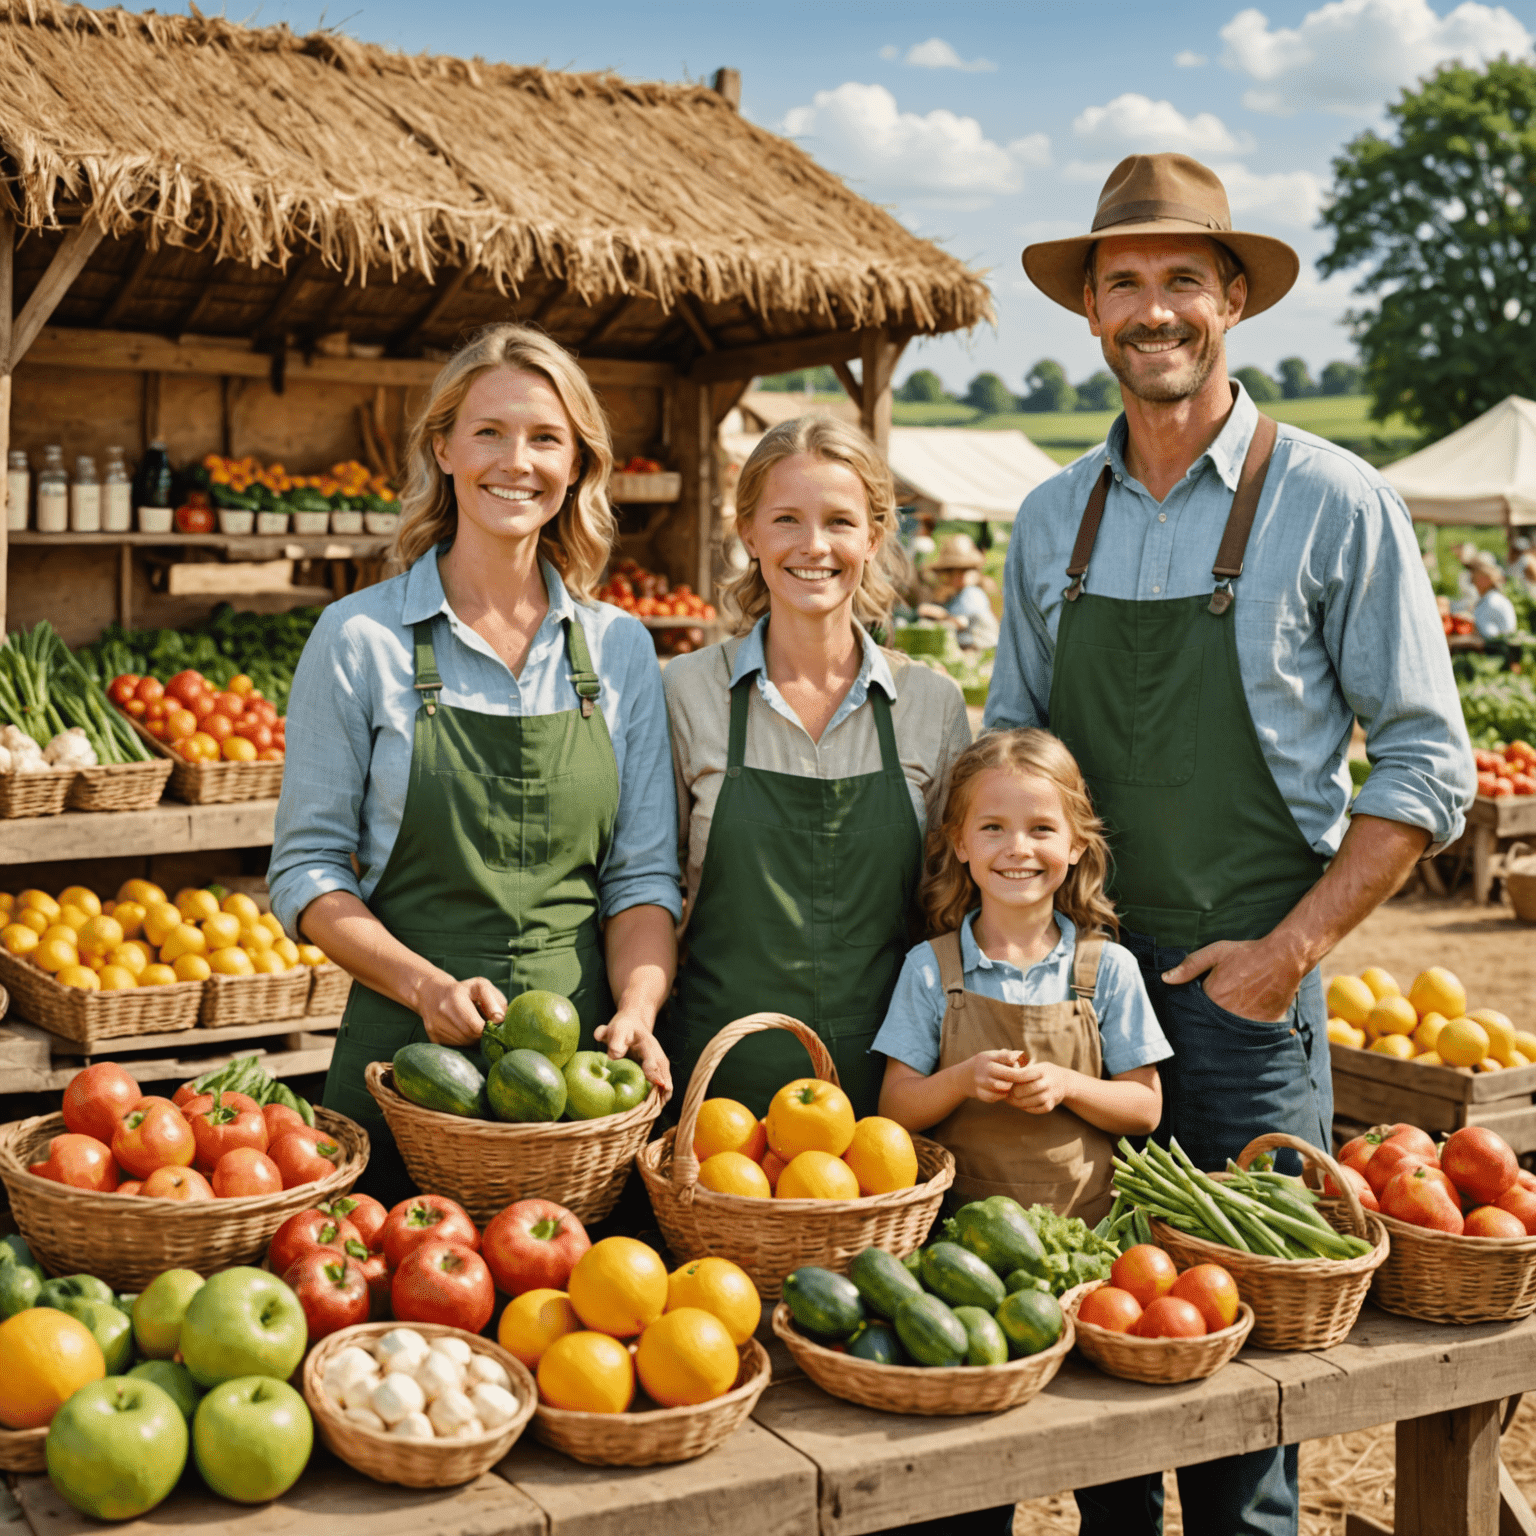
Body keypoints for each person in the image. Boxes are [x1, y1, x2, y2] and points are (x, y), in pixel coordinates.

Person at [993, 153, 1475, 1536]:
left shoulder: (1334, 500)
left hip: (1242, 1003)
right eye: (1125, 282)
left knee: (1250, 1384)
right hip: (1081, 1007)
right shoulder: (1047, 521)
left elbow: (1431, 761)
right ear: (1089, 309)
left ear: (1234, 301)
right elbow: (1016, 753)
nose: (1155, 310)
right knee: (1097, 1352)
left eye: (1182, 281)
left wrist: (1286, 958)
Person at [269, 324, 682, 1203]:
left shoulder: (620, 651)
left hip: (575, 1088)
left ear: (577, 466)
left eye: (545, 438)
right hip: (405, 1062)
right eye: (489, 432)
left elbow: (642, 879)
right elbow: (306, 873)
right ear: (444, 448)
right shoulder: (360, 639)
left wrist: (638, 1014)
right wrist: (424, 987)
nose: (516, 461)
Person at [663, 414, 970, 1117]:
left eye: (839, 521)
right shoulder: (688, 691)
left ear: (874, 534)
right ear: (748, 533)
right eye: (786, 520)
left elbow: (950, 905)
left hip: (889, 1084)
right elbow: (649, 884)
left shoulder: (931, 704)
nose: (813, 546)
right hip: (718, 1083)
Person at [875, 728, 1168, 1214]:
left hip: (1085, 1239)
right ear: (960, 842)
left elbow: (1145, 1108)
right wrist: (962, 1079)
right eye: (992, 827)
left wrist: (1068, 1084)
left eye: (1041, 829)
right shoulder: (930, 969)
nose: (1018, 848)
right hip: (962, 1243)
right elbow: (895, 1108)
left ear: (1075, 844)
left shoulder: (1108, 968)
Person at [917, 533, 1001, 649]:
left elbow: (961, 622)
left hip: (981, 649)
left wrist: (941, 615)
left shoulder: (972, 593)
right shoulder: (956, 594)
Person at [1469, 552, 1518, 640]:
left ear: (1487, 579)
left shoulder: (1492, 602)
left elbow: (1490, 636)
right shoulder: (1492, 598)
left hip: (1498, 650)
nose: (1473, 583)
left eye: (1476, 579)